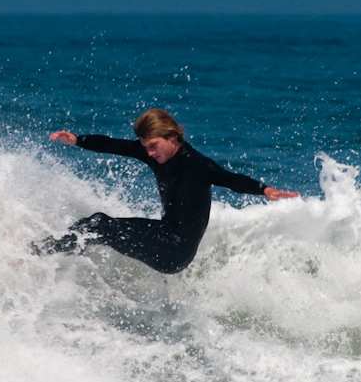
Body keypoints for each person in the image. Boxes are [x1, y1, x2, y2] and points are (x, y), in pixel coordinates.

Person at [34, 108, 298, 273]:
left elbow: (230, 179)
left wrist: (264, 190)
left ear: (172, 138)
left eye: (153, 146)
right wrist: (79, 140)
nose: (149, 153)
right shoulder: (153, 153)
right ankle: (48, 254)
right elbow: (114, 145)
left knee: (100, 226)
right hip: (162, 234)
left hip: (176, 252)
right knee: (95, 223)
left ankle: (39, 258)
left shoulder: (197, 165)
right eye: (145, 146)